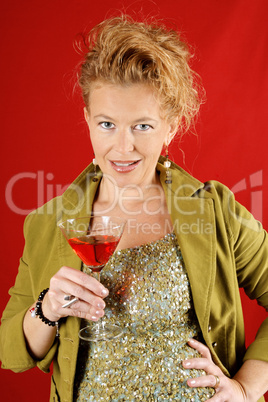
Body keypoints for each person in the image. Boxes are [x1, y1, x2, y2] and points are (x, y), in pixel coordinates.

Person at [0, 15, 268, 402]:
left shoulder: (214, 211)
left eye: (142, 126)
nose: (123, 148)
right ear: (88, 120)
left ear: (171, 126)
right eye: (107, 124)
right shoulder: (47, 222)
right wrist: (47, 309)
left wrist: (245, 388)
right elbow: (12, 353)